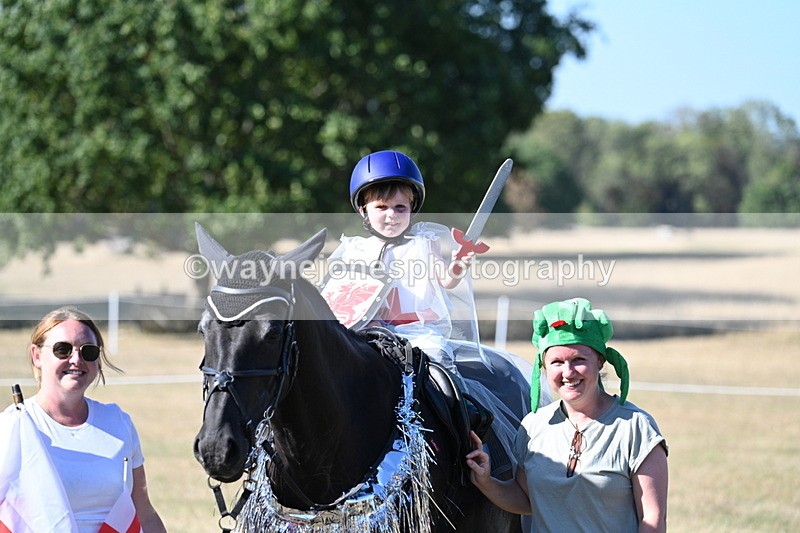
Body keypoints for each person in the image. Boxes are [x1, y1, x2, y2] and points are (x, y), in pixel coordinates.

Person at [324, 149, 533, 477]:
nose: (391, 215)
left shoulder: (423, 244)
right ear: (364, 209)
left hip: (418, 333)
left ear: (412, 209)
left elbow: (446, 278)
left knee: (439, 376)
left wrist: (458, 266)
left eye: (400, 207)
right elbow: (341, 301)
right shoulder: (352, 251)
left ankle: (453, 441)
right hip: (368, 334)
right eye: (381, 207)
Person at [466, 297, 669, 532]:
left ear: (600, 362)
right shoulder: (534, 426)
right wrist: (487, 482)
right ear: (543, 366)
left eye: (579, 360)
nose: (568, 372)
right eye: (557, 362)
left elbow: (653, 519)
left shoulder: (635, 427)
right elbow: (527, 501)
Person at [0, 306, 167, 533]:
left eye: (88, 351)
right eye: (63, 349)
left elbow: (145, 513)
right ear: (37, 355)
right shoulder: (12, 427)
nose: (76, 359)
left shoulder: (119, 423)